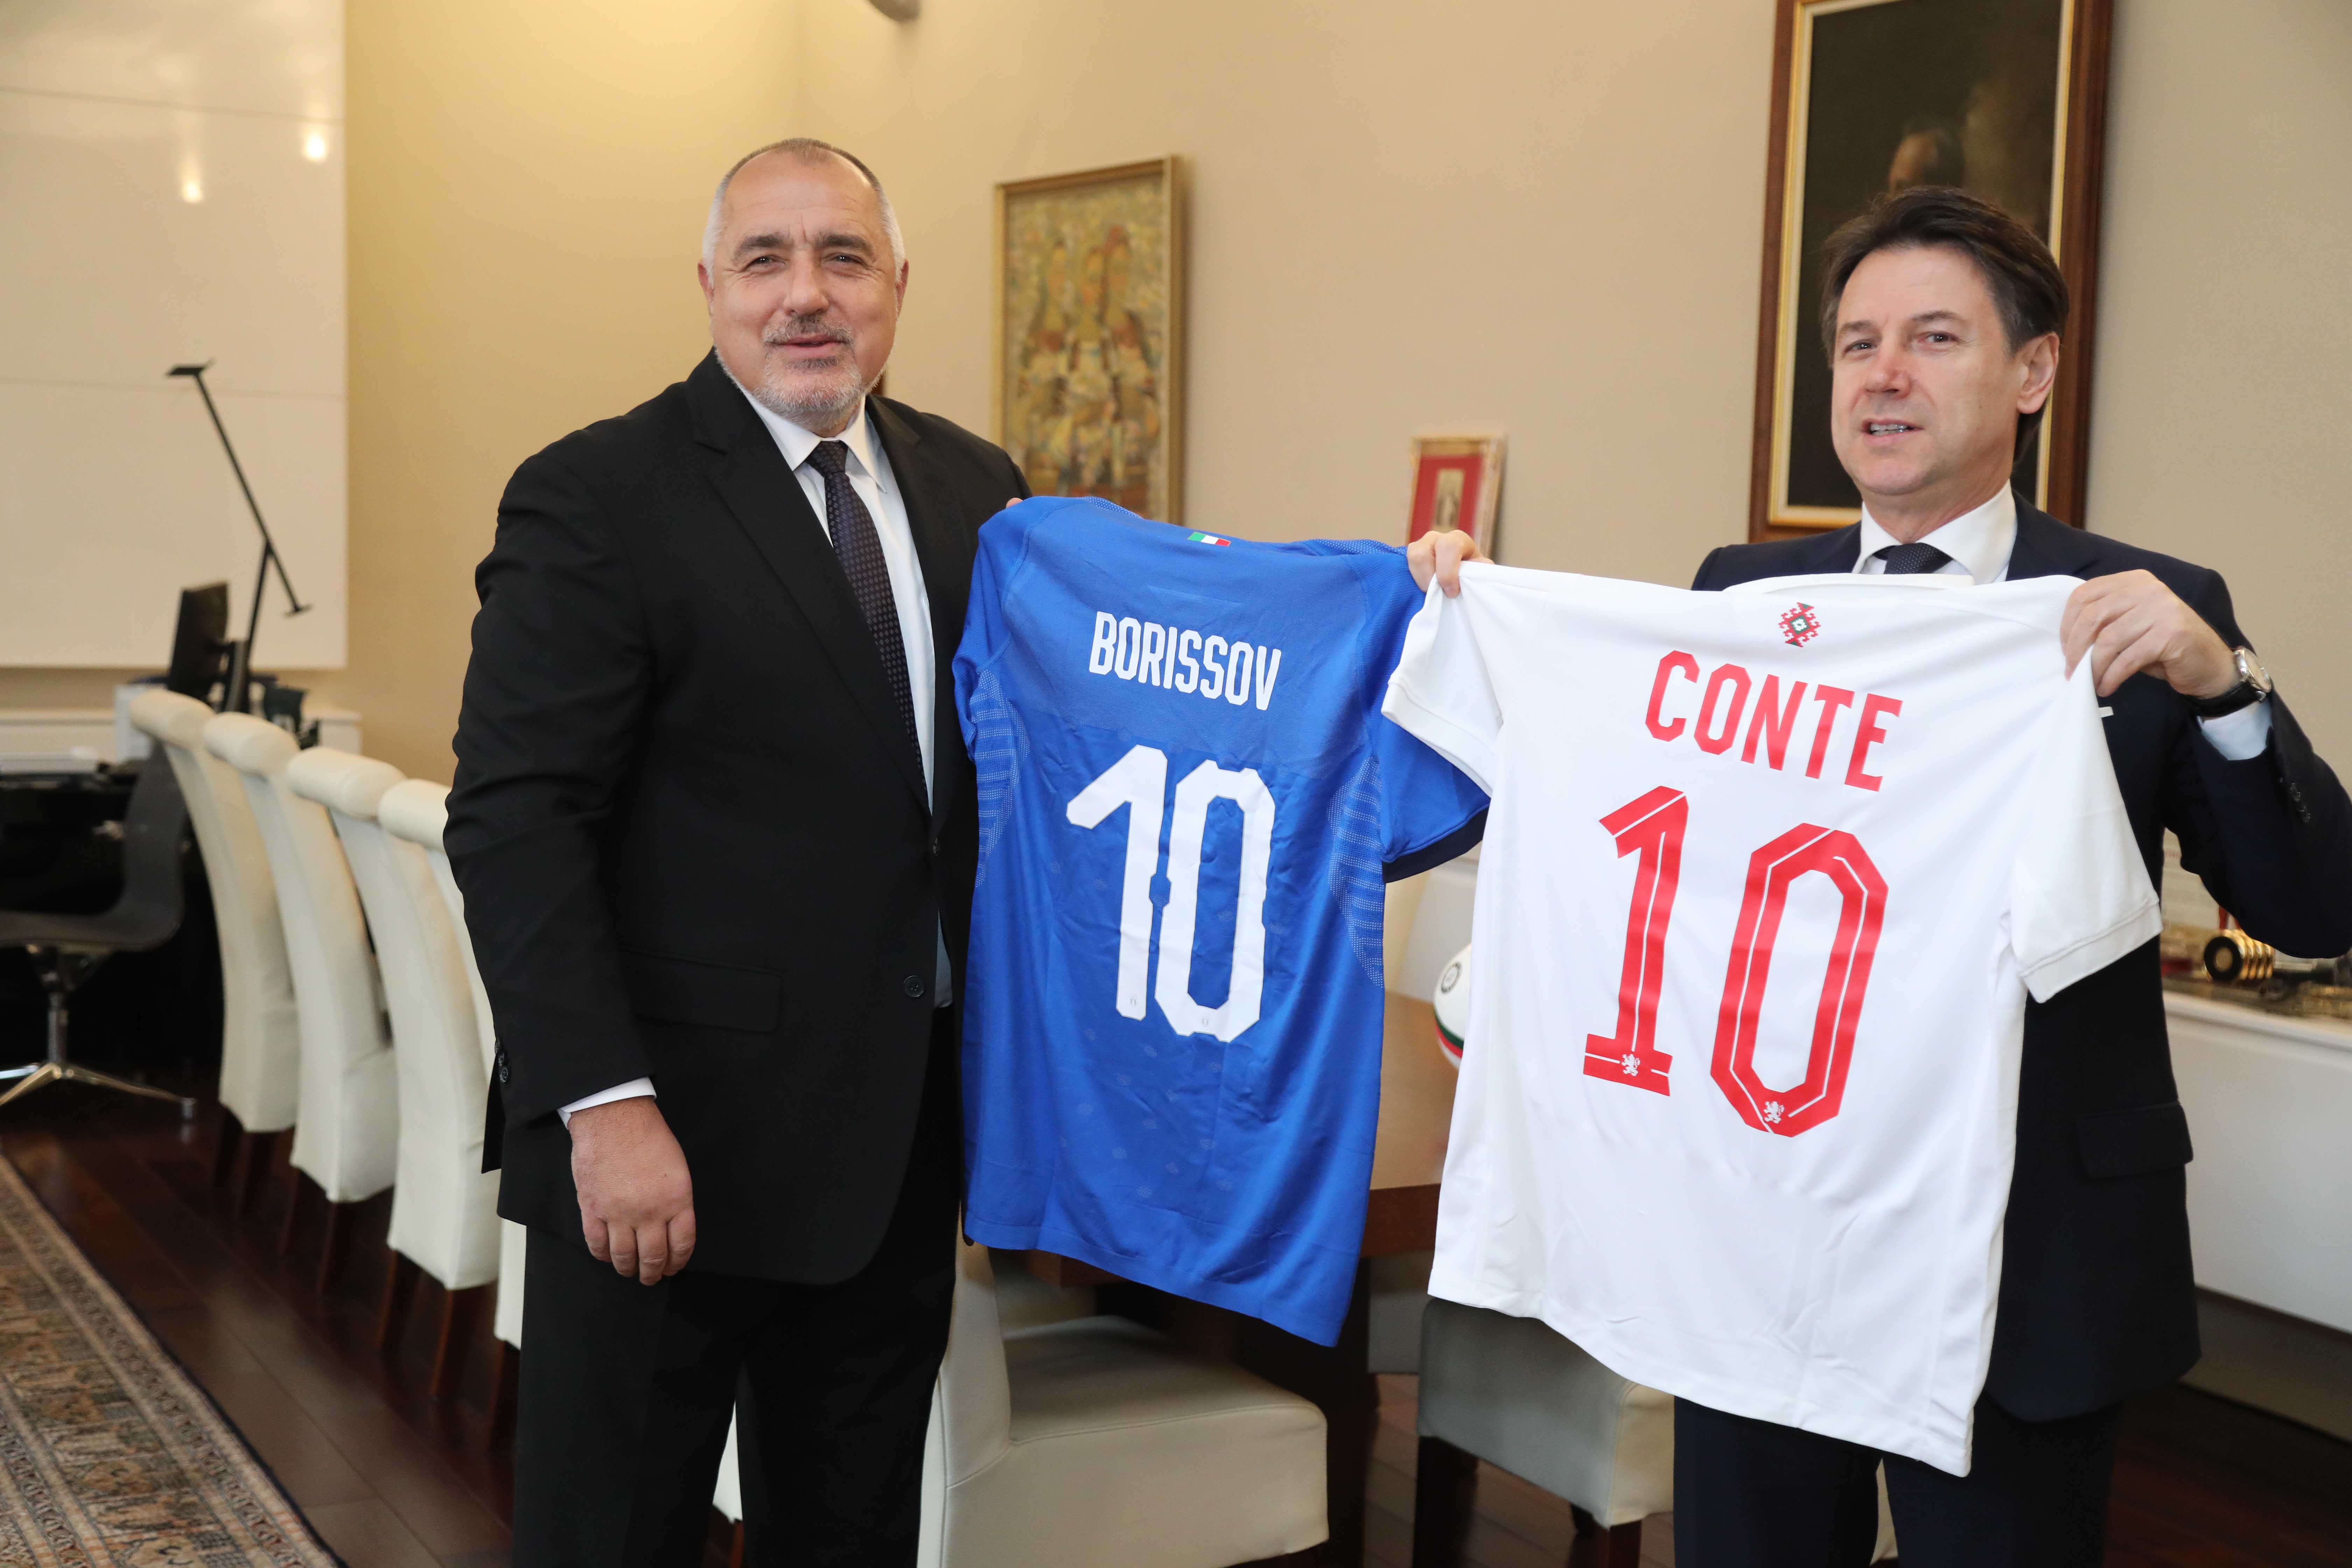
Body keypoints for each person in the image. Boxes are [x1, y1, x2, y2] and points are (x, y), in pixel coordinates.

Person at [1409, 186, 2352, 1565]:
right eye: (1858, 344)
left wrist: (2228, 688)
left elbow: (2315, 910)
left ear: (2033, 371)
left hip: (2029, 1256)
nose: (1885, 376)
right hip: (1763, 1231)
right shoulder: (1741, 596)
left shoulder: (2139, 608)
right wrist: (1476, 619)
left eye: (1934, 338)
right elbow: (1622, 810)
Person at [447, 137, 1027, 1567]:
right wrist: (605, 1107)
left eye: (844, 257)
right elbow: (516, 822)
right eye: (766, 259)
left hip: (893, 1155)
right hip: (663, 1162)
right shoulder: (598, 494)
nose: (805, 294)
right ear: (710, 285)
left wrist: (1406, 603)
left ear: (898, 286)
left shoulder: (978, 490)